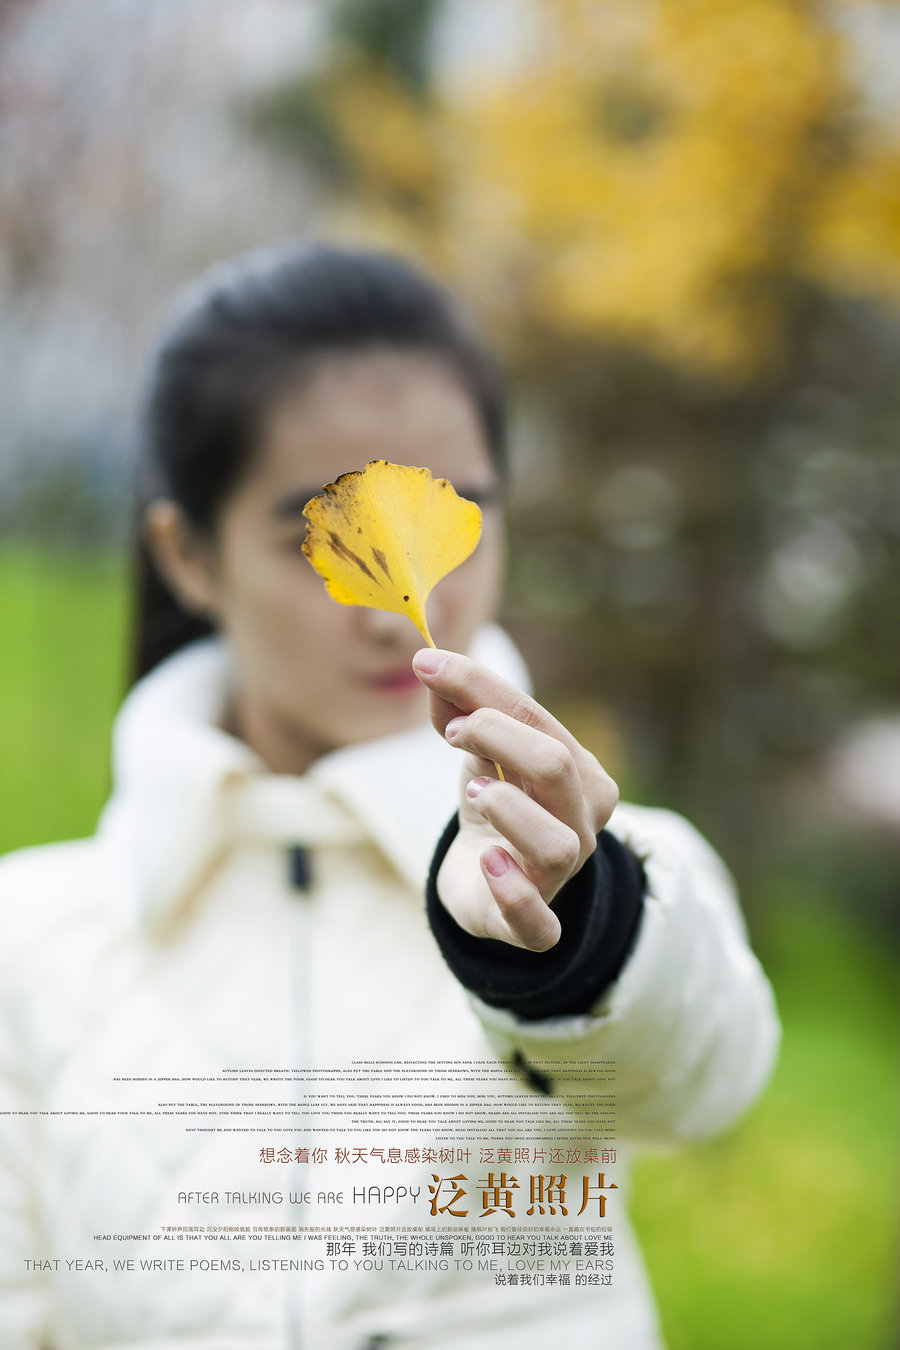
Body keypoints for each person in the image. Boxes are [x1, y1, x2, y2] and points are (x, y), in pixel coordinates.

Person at [0, 242, 779, 1350]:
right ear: (186, 554)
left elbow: (701, 1080)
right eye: (319, 538)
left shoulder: (621, 875)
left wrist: (563, 938)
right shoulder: (33, 939)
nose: (393, 610)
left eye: (447, 517)